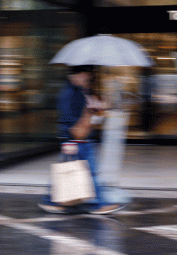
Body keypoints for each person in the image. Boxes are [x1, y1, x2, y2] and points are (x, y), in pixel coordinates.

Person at [38, 65, 124, 215]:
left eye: (88, 76)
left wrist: (95, 109)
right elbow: (67, 121)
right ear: (75, 76)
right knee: (81, 172)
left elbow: (85, 116)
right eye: (84, 76)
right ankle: (98, 204)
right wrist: (67, 141)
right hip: (75, 141)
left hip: (82, 140)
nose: (87, 79)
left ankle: (51, 201)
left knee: (74, 171)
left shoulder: (80, 92)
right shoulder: (68, 94)